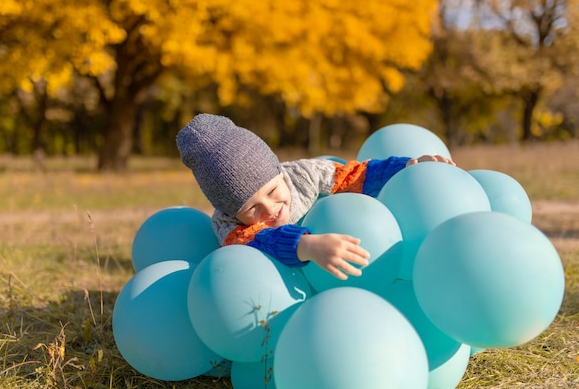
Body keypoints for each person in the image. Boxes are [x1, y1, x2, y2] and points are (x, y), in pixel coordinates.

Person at [176, 113, 454, 280]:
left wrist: (405, 168)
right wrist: (306, 245)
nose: (270, 209)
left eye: (273, 191)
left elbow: (355, 176)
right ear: (231, 211)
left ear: (278, 173)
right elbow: (261, 243)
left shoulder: (301, 175)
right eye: (251, 208)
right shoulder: (229, 226)